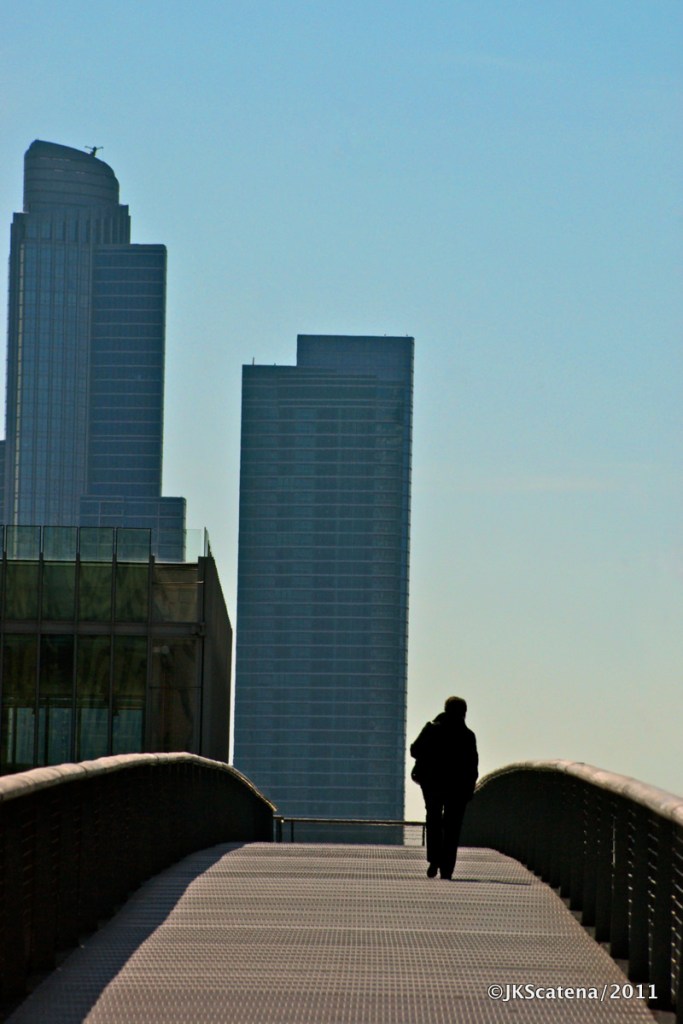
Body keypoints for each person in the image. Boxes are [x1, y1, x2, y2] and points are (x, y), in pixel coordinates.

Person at [410, 696, 478, 880]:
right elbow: (473, 765)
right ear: (463, 713)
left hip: (432, 783)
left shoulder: (432, 729)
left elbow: (414, 750)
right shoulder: (467, 736)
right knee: (452, 826)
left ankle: (434, 860)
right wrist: (470, 788)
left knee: (433, 819)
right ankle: (447, 868)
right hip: (458, 787)